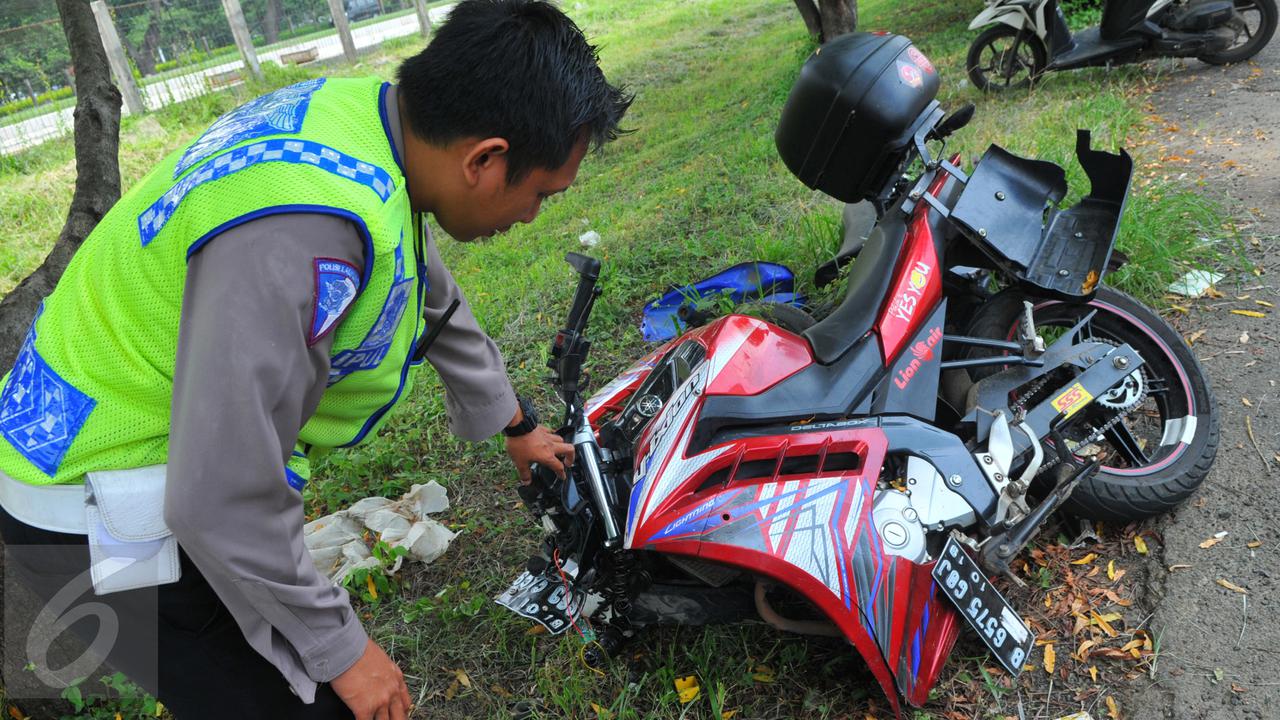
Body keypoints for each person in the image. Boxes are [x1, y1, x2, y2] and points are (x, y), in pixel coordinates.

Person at [0, 1, 631, 718]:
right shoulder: (304, 234)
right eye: (541, 195)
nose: (531, 217)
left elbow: (421, 281)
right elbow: (221, 496)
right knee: (311, 703)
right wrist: (346, 652)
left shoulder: (364, 121)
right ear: (484, 158)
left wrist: (514, 421)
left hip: (106, 449)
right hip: (94, 511)